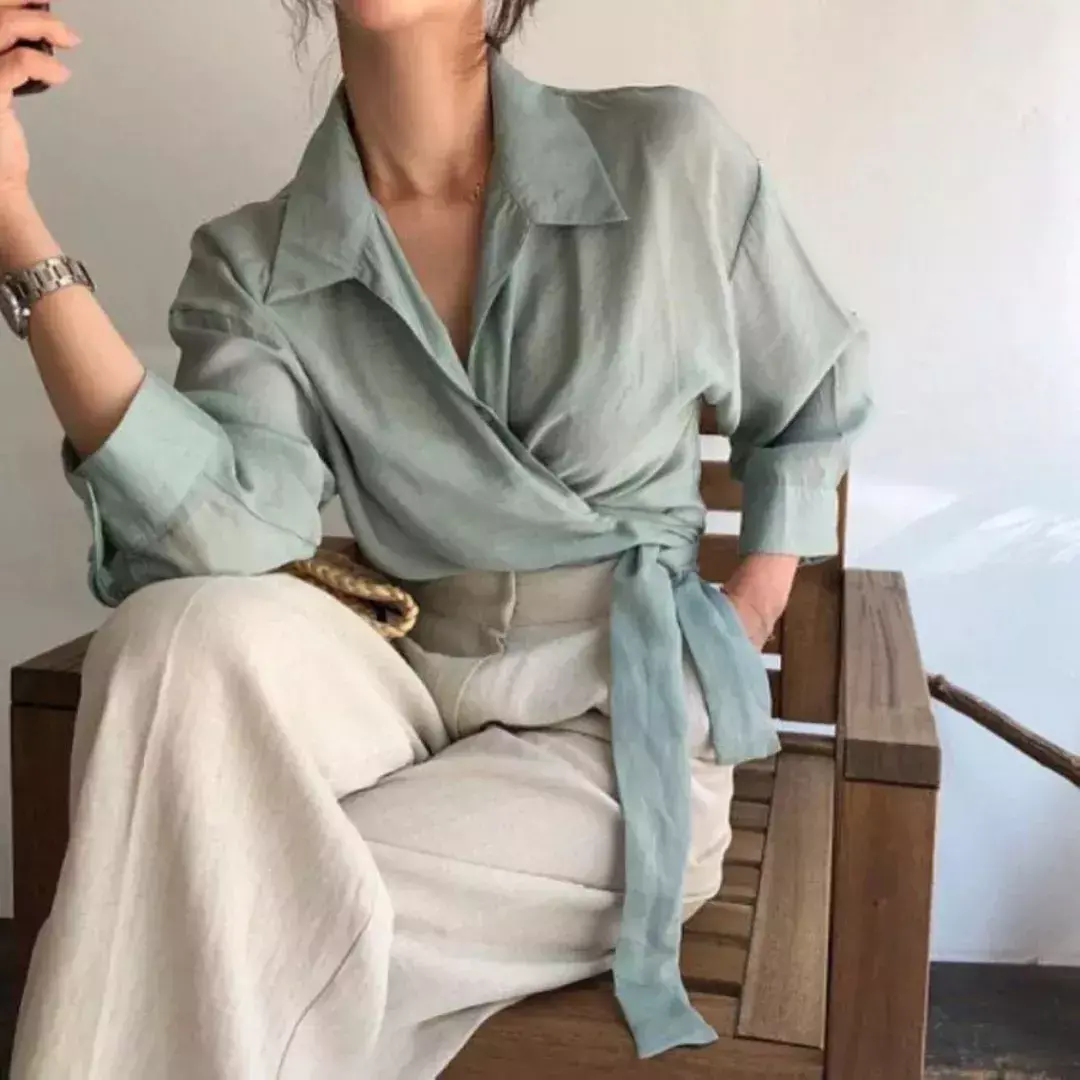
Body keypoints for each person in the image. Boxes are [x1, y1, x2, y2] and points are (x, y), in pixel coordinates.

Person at [1, 0, 870, 1076]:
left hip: (614, 731)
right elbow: (226, 535)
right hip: (402, 695)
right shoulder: (257, 263)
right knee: (172, 635)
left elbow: (813, 396)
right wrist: (14, 220)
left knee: (216, 912)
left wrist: (750, 613)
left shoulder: (665, 160)